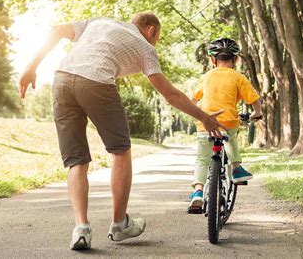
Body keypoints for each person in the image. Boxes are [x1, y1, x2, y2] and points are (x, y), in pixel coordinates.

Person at [18, 12, 224, 250]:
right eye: (157, 38)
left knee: (76, 160)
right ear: (151, 31)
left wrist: (31, 67)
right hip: (96, 82)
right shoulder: (146, 47)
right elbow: (170, 94)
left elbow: (56, 30)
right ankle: (119, 224)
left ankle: (81, 228)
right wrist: (204, 117)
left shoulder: (98, 22)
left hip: (62, 81)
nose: (155, 43)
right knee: (120, 151)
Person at [188, 38, 262, 213]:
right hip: (228, 120)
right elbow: (254, 100)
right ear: (235, 60)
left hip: (205, 122)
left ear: (213, 60)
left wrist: (196, 113)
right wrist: (256, 113)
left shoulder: (206, 77)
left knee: (202, 158)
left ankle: (198, 192)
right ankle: (236, 169)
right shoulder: (238, 77)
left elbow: (193, 99)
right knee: (231, 139)